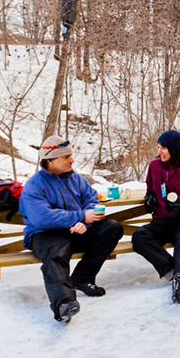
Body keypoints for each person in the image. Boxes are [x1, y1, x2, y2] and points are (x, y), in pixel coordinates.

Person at [19, 135, 123, 323]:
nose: (72, 160)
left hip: (76, 230)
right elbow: (41, 217)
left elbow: (92, 201)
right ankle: (64, 303)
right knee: (56, 254)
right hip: (45, 234)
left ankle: (82, 278)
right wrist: (78, 217)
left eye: (71, 155)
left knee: (112, 228)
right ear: (50, 161)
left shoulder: (77, 179)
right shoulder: (34, 186)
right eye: (66, 157)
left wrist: (85, 222)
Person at [132, 129, 180, 304]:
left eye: (163, 148)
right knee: (139, 237)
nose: (159, 152)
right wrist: (149, 198)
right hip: (162, 220)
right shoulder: (154, 166)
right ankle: (176, 273)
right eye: (158, 147)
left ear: (174, 149)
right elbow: (150, 187)